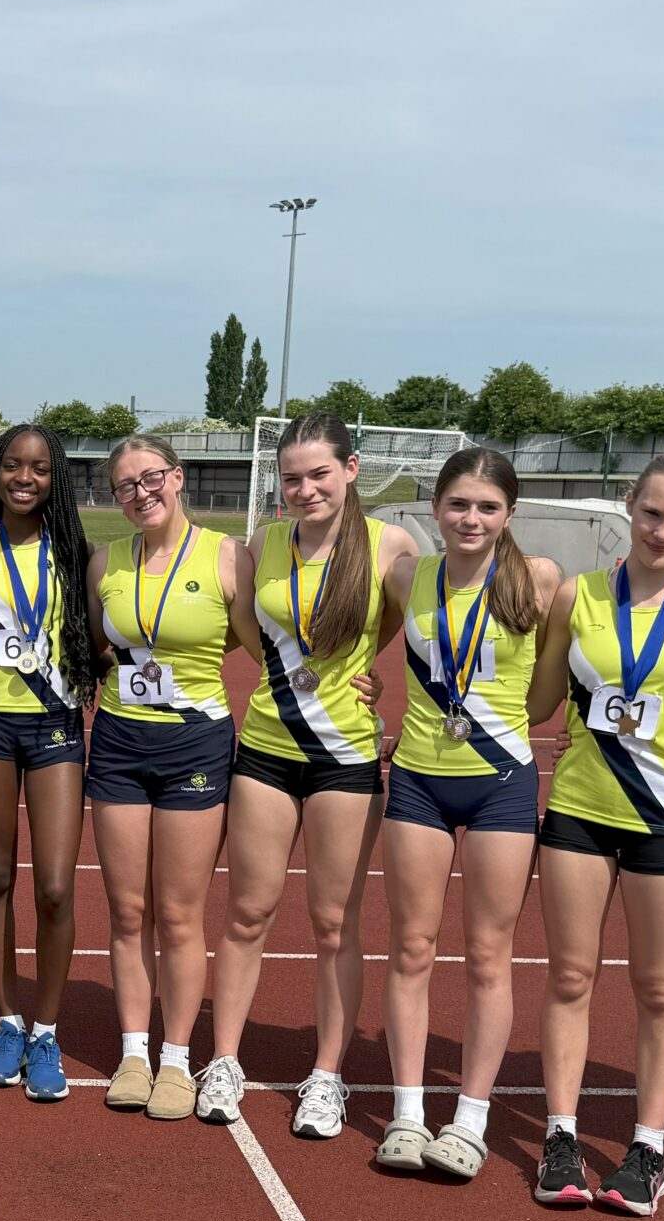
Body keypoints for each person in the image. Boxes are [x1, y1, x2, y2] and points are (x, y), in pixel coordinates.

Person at [527, 453, 664, 1215]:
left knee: (658, 987)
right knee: (569, 977)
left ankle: (648, 1148)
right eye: (652, 512)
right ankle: (561, 1136)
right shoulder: (578, 596)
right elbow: (539, 700)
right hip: (579, 809)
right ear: (629, 503)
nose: (663, 531)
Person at [200, 412, 411, 1136]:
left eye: (319, 473)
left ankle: (326, 1075)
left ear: (351, 470)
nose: (305, 489)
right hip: (265, 747)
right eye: (291, 478)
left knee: (333, 922)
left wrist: (370, 675)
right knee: (247, 912)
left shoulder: (390, 545)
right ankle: (224, 1060)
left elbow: (412, 629)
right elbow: (253, 637)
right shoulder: (265, 543)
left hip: (346, 758)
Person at [371, 448, 558, 1178]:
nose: (470, 519)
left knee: (488, 954)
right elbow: (363, 647)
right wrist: (360, 688)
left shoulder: (538, 580)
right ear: (435, 508)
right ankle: (408, 1113)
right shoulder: (406, 576)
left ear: (509, 513)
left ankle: (471, 1120)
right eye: (457, 504)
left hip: (502, 781)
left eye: (486, 506)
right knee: (411, 948)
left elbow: (558, 681)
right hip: (419, 779)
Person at [89, 433, 256, 1121]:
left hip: (194, 743)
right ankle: (134, 1052)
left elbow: (265, 642)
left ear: (178, 477)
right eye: (126, 485)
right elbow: (100, 647)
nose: (141, 493)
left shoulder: (226, 556)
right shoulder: (106, 560)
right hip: (119, 742)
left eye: (151, 477)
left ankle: (178, 1058)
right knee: (128, 911)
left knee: (181, 914)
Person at [0, 423, 99, 1101]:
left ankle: (47, 1029)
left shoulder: (76, 552)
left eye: (39, 468)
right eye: (13, 465)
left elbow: (104, 637)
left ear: (56, 478)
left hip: (55, 726)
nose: (25, 478)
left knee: (54, 888)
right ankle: (8, 1021)